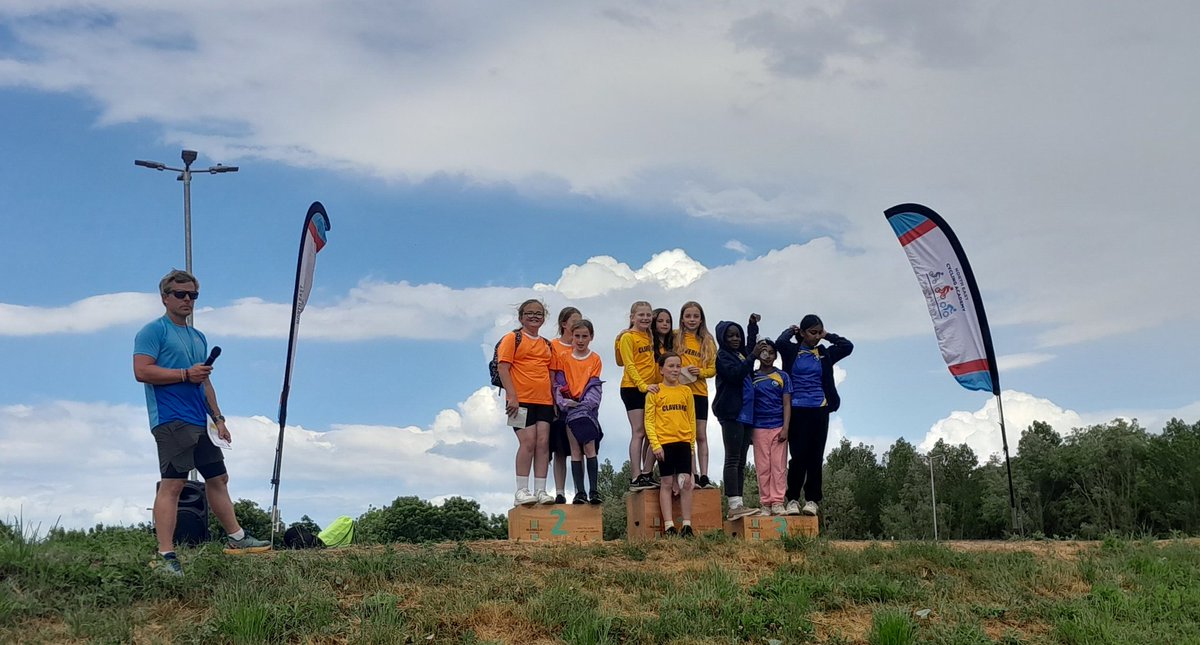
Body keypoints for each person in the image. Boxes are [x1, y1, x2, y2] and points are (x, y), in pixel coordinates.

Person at [133, 269, 270, 576]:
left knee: (218, 478)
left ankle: (237, 538)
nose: (187, 300)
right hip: (171, 419)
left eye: (192, 295)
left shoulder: (197, 337)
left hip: (201, 421)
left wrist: (219, 419)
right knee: (173, 484)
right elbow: (142, 371)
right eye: (180, 295)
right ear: (165, 297)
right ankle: (165, 555)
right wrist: (185, 374)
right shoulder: (152, 331)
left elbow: (204, 381)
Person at [776, 314, 853, 516]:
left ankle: (812, 500)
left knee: (815, 456)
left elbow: (847, 346)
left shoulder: (824, 353)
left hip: (820, 408)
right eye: (813, 332)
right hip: (797, 409)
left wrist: (828, 335)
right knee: (798, 456)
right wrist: (790, 331)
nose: (816, 336)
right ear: (802, 333)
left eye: (819, 332)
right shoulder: (792, 351)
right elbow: (780, 343)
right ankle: (792, 498)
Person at [497, 299, 558, 506]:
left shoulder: (547, 344)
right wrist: (511, 396)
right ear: (521, 317)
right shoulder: (512, 338)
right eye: (530, 313)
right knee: (527, 442)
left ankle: (540, 490)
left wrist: (554, 399)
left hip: (544, 401)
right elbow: (503, 368)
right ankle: (521, 490)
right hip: (519, 401)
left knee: (543, 444)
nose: (534, 316)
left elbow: (550, 373)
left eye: (539, 313)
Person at [713, 314, 766, 520]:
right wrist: (752, 355)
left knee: (742, 461)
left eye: (738, 335)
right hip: (731, 413)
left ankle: (740, 502)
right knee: (733, 458)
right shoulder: (723, 357)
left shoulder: (742, 354)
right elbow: (735, 375)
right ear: (723, 339)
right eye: (731, 336)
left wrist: (752, 325)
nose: (735, 339)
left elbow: (751, 345)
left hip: (747, 413)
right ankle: (733, 504)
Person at [644, 352, 697, 537]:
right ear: (661, 370)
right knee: (666, 482)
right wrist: (655, 444)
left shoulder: (686, 391)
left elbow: (691, 419)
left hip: (683, 442)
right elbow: (649, 421)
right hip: (664, 442)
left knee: (686, 482)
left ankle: (687, 525)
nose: (675, 370)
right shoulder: (655, 392)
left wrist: (691, 446)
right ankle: (669, 526)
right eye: (671, 366)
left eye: (677, 366)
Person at [552, 319, 604, 504]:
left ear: (591, 337)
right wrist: (564, 402)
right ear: (571, 336)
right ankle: (579, 492)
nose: (580, 340)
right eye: (577, 336)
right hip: (569, 409)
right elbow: (558, 383)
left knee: (589, 448)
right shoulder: (564, 358)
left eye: (584, 336)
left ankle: (594, 491)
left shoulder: (595, 358)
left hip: (587, 410)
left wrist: (586, 404)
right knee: (574, 449)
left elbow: (594, 383)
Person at [739, 340, 791, 515]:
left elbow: (787, 404)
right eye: (763, 352)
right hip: (758, 427)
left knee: (778, 466)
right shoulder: (752, 376)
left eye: (771, 352)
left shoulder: (783, 376)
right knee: (763, 467)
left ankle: (777, 501)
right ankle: (765, 503)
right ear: (758, 354)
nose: (767, 356)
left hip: (778, 426)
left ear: (776, 355)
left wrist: (786, 427)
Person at [618, 301, 661, 491]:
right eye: (641, 315)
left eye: (648, 315)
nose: (645, 318)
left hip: (651, 387)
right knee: (639, 431)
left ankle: (646, 473)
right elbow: (627, 364)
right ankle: (635, 476)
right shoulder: (628, 337)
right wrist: (642, 385)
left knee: (654, 431)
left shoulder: (649, 336)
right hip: (633, 387)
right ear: (632, 317)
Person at [675, 301, 718, 489]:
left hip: (699, 392)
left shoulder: (707, 340)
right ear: (682, 319)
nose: (692, 320)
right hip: (679, 393)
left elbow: (713, 368)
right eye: (688, 316)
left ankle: (705, 475)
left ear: (701, 319)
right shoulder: (675, 337)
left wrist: (699, 371)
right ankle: (692, 473)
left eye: (696, 316)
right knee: (687, 435)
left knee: (701, 434)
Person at [549, 306, 582, 503]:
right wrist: (555, 400)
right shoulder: (554, 346)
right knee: (559, 449)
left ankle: (580, 490)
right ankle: (560, 491)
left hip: (579, 403)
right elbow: (552, 375)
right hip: (560, 402)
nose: (577, 324)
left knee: (581, 447)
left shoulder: (581, 345)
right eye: (574, 321)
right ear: (564, 324)